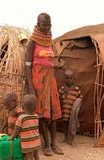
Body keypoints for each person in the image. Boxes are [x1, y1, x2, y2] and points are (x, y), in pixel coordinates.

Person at [25, 12, 63, 156]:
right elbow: (27, 65)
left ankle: (54, 143)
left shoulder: (50, 41)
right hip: (37, 80)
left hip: (50, 80)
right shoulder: (32, 42)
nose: (46, 27)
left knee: (53, 112)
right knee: (41, 113)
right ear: (38, 24)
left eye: (49, 25)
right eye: (44, 25)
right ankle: (46, 144)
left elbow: (51, 61)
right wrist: (30, 87)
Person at [9, 94, 41, 160]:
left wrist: (12, 137)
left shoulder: (21, 118)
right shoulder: (36, 116)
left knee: (28, 157)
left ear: (23, 107)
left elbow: (16, 130)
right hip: (36, 140)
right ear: (35, 107)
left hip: (28, 142)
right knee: (36, 155)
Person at [58, 69, 83, 146]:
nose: (69, 80)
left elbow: (80, 99)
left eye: (71, 78)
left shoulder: (76, 89)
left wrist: (80, 107)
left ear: (73, 79)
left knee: (72, 125)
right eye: (67, 78)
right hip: (65, 111)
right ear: (65, 79)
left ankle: (71, 139)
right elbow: (58, 98)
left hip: (73, 112)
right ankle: (65, 138)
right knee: (65, 125)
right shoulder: (62, 88)